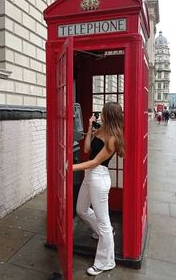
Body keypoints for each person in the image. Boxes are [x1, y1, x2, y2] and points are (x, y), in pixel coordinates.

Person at [73, 102, 125, 276]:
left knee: (104, 222)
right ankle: (103, 233)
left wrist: (71, 168)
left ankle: (105, 262)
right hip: (89, 175)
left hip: (99, 177)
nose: (100, 115)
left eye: (103, 113)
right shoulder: (101, 129)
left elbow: (96, 162)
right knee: (81, 209)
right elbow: (87, 149)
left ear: (109, 115)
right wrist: (89, 127)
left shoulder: (113, 137)